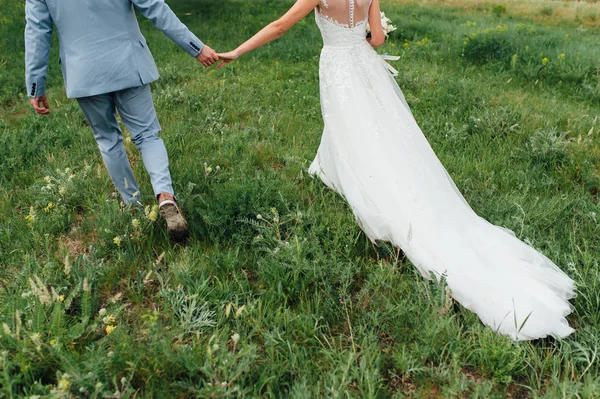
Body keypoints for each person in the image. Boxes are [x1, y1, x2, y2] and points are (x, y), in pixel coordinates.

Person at [217, 0, 576, 340]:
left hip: (340, 67)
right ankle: (330, 166)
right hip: (365, 67)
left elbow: (281, 26)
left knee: (355, 128)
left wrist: (236, 51)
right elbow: (378, 38)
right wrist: (369, 31)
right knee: (381, 128)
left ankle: (371, 187)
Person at [25, 0, 219, 240]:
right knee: (147, 135)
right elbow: (155, 8)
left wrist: (35, 85)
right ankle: (165, 195)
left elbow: (37, 33)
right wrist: (196, 47)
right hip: (129, 63)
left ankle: (134, 208)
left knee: (108, 140)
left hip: (83, 72)